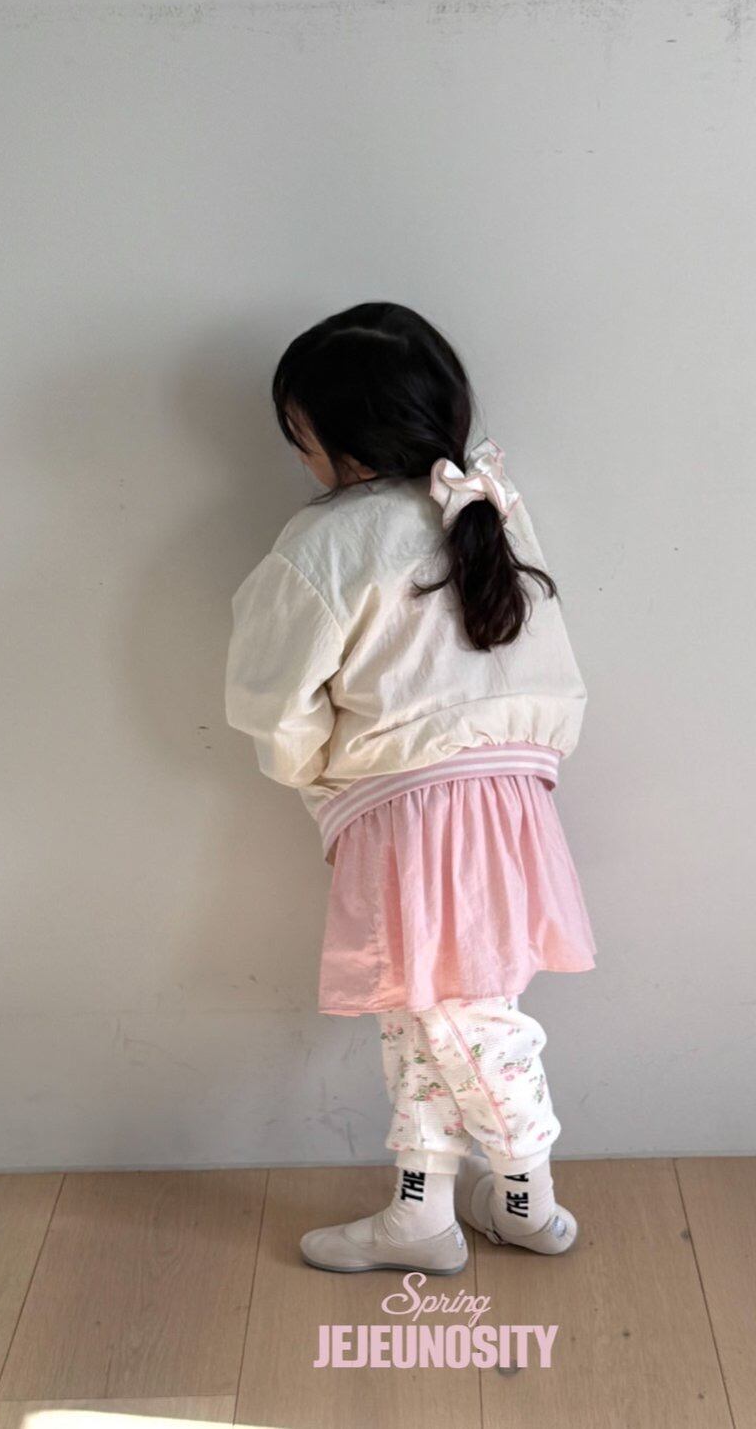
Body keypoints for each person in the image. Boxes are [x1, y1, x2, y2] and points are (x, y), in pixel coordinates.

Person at [224, 301, 596, 1274]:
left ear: (334, 436)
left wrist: (315, 779)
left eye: (299, 433)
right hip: (509, 804)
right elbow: (548, 675)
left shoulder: (326, 542)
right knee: (427, 1011)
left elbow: (271, 700)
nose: (298, 453)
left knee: (459, 1019)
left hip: (415, 810)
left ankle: (527, 1193)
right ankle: (422, 1211)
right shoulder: (487, 509)